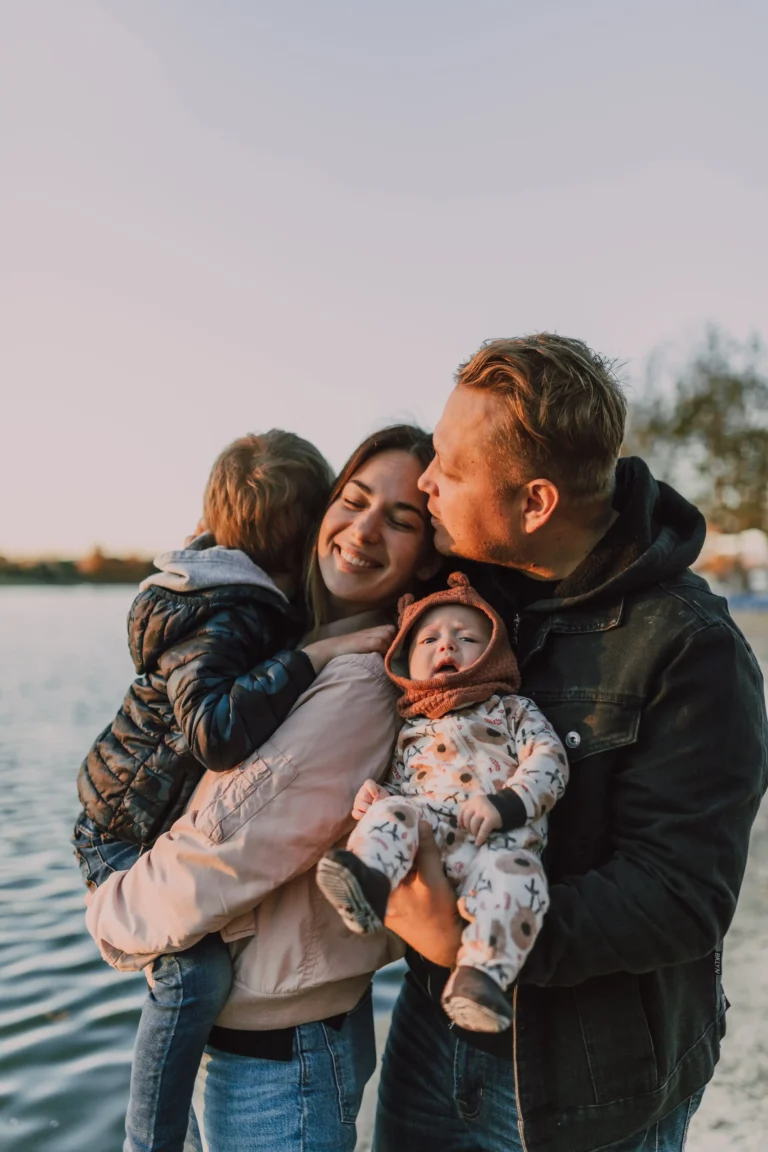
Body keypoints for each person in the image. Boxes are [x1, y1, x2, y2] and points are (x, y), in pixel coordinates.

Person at [374, 334, 768, 1152]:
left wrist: (469, 937)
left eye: (450, 464)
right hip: (429, 1045)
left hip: (592, 1087)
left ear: (537, 503)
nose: (426, 480)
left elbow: (679, 896)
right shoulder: (466, 591)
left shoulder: (691, 648)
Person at [83, 425, 440, 1152]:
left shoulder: (363, 676)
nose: (364, 530)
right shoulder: (282, 637)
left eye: (401, 520)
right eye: (354, 499)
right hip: (260, 1049)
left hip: (284, 1065)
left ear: (428, 555)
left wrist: (109, 913)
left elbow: (221, 853)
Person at [317, 572, 568, 1032]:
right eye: (428, 639)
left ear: (495, 652)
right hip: (433, 838)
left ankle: (480, 977)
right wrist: (380, 797)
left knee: (521, 879)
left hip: (497, 844)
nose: (446, 646)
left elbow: (549, 759)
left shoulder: (511, 710)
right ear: (406, 664)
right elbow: (405, 792)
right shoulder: (410, 731)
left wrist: (509, 802)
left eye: (467, 637)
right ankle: (370, 881)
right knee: (389, 813)